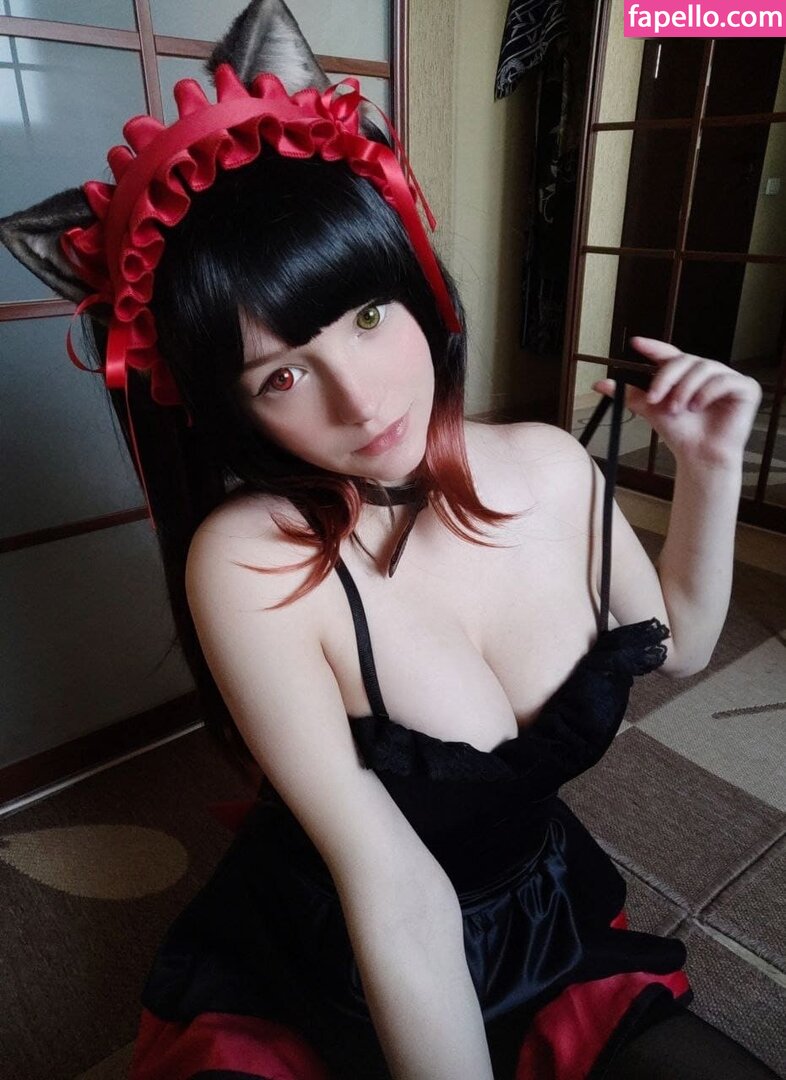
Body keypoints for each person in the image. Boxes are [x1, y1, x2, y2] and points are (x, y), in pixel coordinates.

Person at [0, 2, 774, 1078]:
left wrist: (711, 467)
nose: (362, 402)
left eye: (366, 316)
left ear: (413, 286)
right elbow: (394, 887)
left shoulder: (553, 466)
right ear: (231, 412)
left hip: (540, 915)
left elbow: (677, 646)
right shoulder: (251, 562)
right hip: (344, 955)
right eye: (282, 374)